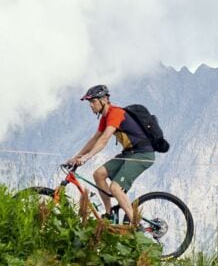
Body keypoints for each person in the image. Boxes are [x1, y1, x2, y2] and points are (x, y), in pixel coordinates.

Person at [65, 84, 155, 225]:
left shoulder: (115, 113)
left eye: (93, 101)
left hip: (142, 154)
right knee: (98, 174)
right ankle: (110, 215)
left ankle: (136, 226)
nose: (91, 105)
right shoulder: (104, 118)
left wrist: (87, 157)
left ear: (104, 100)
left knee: (115, 187)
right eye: (90, 102)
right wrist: (77, 156)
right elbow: (94, 139)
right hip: (129, 153)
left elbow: (104, 139)